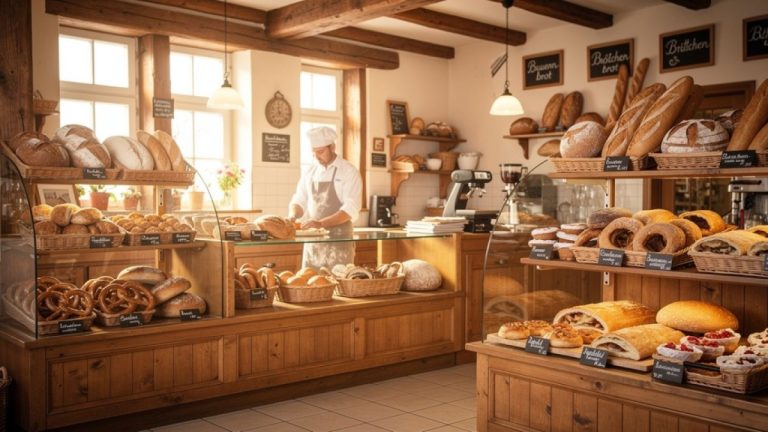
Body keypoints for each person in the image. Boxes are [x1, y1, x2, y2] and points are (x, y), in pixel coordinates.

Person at [288, 127, 362, 269]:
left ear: (333, 147)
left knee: (339, 286)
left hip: (340, 242)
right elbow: (299, 199)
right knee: (310, 284)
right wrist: (293, 216)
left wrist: (321, 224)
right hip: (314, 244)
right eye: (314, 153)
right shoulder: (310, 172)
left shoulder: (348, 171)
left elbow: (350, 209)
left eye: (321, 152)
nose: (317, 156)